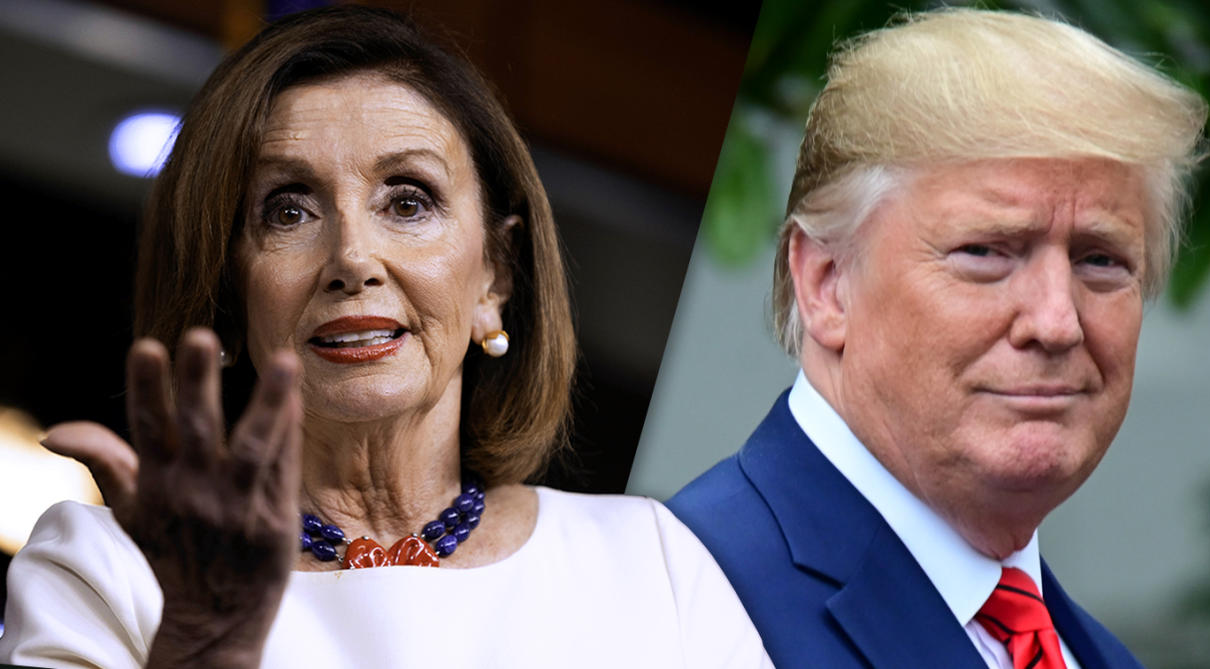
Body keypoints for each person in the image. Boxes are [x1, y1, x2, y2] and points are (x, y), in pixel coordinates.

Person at [0, 6, 770, 668]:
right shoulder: (108, 570)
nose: (353, 257)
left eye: (408, 200)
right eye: (289, 210)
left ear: (496, 275)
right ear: (228, 295)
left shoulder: (654, 565)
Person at [668, 8, 1207, 669]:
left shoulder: (1101, 657)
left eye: (1101, 260)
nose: (1056, 321)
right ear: (827, 283)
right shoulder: (678, 604)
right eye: (985, 251)